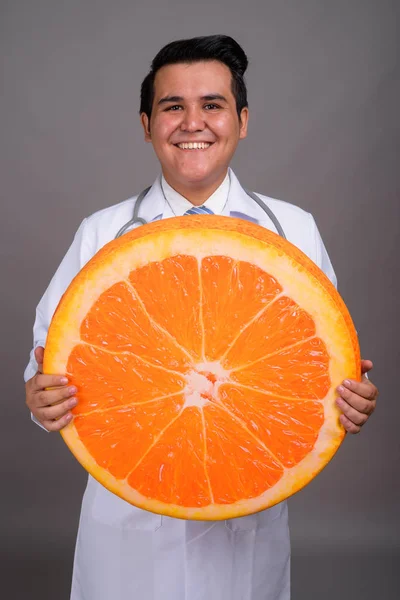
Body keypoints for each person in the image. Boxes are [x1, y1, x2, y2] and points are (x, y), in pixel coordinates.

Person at [25, 35, 378, 600]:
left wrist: (348, 400)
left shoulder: (293, 231)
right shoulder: (100, 233)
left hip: (245, 517)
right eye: (173, 107)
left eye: (212, 105)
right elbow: (45, 364)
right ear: (146, 124)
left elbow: (321, 364)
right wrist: (40, 401)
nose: (194, 123)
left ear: (242, 119)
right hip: (128, 529)